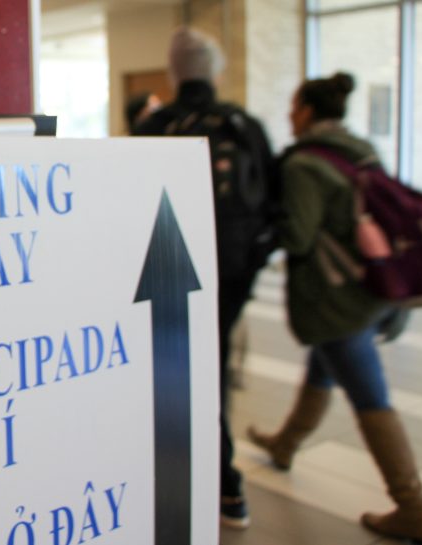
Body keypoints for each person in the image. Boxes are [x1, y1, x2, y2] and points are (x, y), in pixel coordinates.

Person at [247, 72, 422, 542]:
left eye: (293, 106)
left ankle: (412, 504)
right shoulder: (359, 149)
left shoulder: (304, 165)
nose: (289, 114)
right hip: (370, 285)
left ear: (306, 111)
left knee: (369, 395)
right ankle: (286, 444)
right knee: (321, 366)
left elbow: (299, 237)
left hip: (335, 298)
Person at [133, 27, 277, 530]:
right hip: (232, 273)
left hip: (167, 267)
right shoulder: (245, 126)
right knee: (211, 369)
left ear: (174, 71)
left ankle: (201, 478)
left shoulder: (154, 128)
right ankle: (224, 485)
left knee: (180, 374)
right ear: (214, 70)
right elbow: (273, 207)